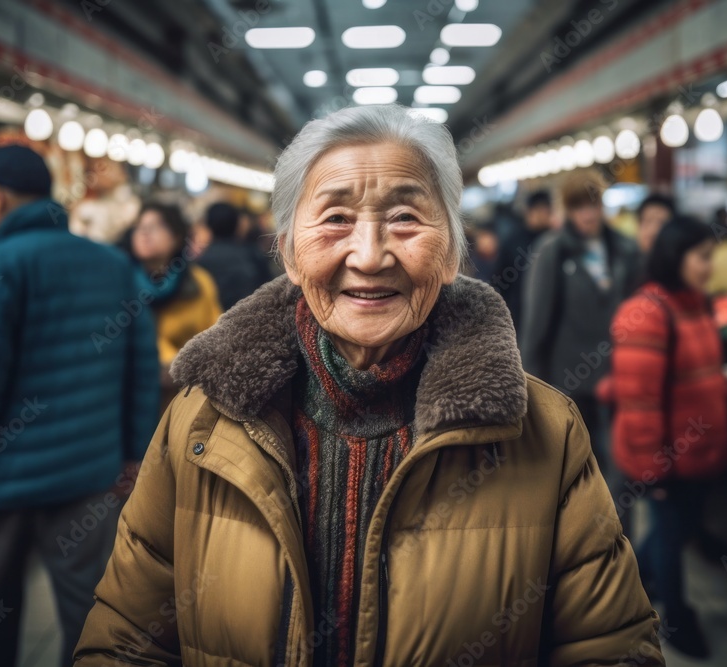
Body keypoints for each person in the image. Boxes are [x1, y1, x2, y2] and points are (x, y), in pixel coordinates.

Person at [75, 105, 663, 667]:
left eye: (406, 218)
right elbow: (127, 637)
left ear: (453, 250)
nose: (371, 254)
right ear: (287, 252)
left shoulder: (545, 432)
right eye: (335, 219)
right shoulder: (201, 422)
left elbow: (611, 645)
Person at [0, 145, 159, 667]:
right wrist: (132, 453)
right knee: (89, 608)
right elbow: (140, 367)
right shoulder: (111, 263)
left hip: (0, 480)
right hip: (88, 472)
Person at [610, 216, 727, 659]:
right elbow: (638, 401)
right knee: (668, 531)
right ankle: (675, 620)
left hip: (699, 451)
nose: (709, 265)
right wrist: (652, 469)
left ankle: (633, 585)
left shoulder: (697, 303)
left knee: (675, 531)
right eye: (701, 257)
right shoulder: (648, 312)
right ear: (675, 257)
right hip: (666, 455)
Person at [519, 171, 640, 481]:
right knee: (580, 466)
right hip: (571, 379)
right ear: (568, 211)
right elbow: (537, 322)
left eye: (593, 205)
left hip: (620, 374)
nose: (587, 214)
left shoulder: (624, 248)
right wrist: (531, 386)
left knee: (621, 466)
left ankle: (617, 528)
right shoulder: (552, 251)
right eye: (578, 207)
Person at [126, 202, 223, 370]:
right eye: (139, 227)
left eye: (155, 227)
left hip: (184, 386)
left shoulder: (198, 282)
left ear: (177, 237)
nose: (144, 234)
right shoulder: (122, 280)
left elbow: (215, 334)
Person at [491, 190, 552, 330]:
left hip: (550, 314)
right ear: (529, 212)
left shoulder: (555, 240)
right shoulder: (513, 242)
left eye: (546, 211)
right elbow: (499, 281)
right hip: (520, 315)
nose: (543, 215)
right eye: (540, 210)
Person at [196, 202, 273, 310]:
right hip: (253, 318)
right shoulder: (254, 255)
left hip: (217, 323)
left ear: (209, 226)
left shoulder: (201, 262)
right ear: (237, 224)